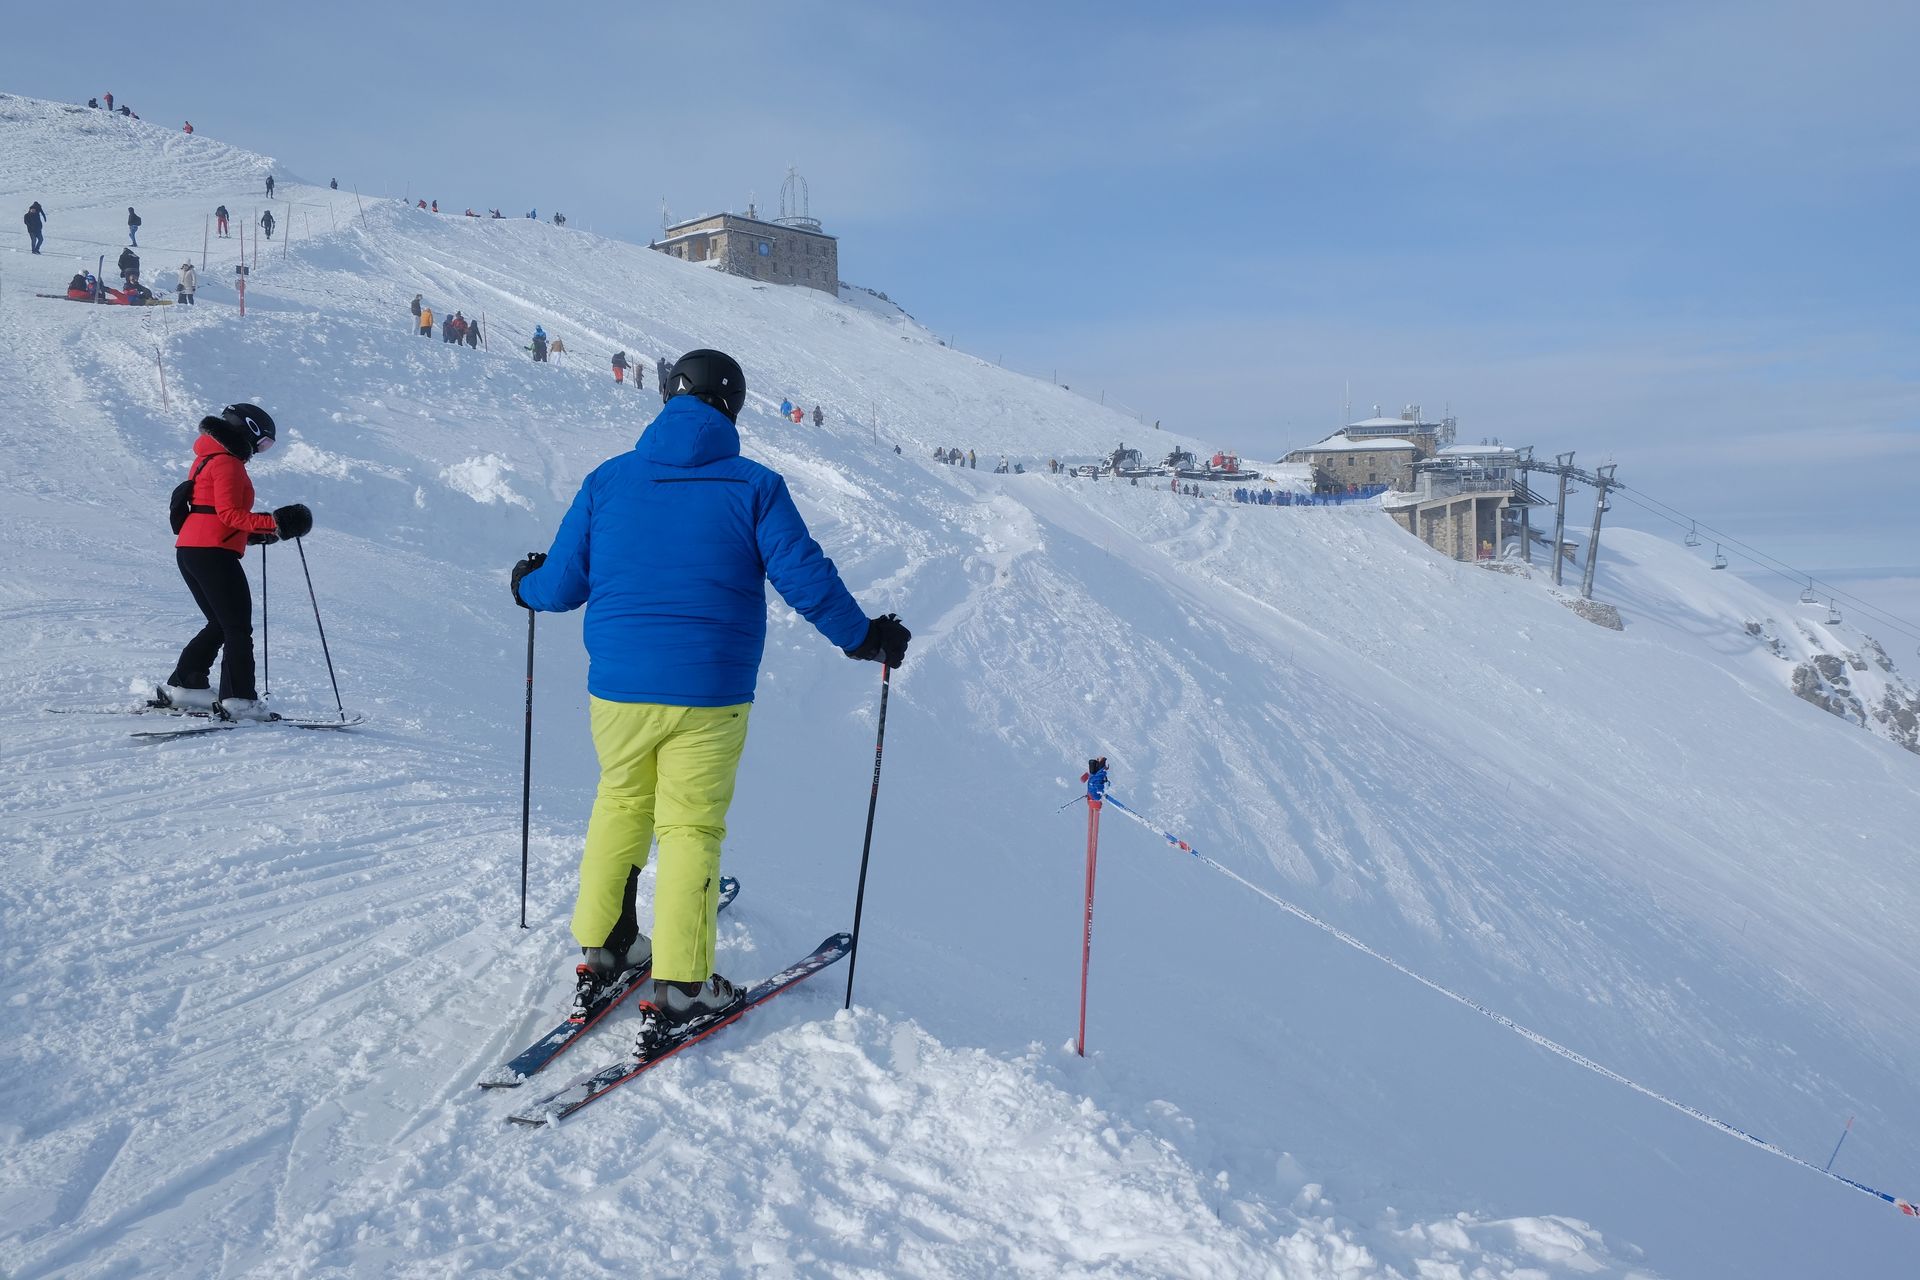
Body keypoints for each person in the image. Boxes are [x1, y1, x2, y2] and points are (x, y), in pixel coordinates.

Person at [510, 348, 910, 1039]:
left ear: (669, 395)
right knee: (689, 826)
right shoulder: (754, 486)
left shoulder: (609, 480)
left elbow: (563, 586)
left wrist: (525, 582)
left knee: (620, 803)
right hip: (709, 691)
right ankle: (683, 987)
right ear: (732, 407)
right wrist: (863, 638)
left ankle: (605, 951)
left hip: (618, 688)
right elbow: (804, 577)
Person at [161, 404, 311, 722]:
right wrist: (277, 523)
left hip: (193, 549)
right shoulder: (228, 463)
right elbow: (228, 515)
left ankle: (188, 684)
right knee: (237, 628)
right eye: (264, 443)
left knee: (220, 624)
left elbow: (213, 515)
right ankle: (239, 700)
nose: (261, 450)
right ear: (247, 430)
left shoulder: (207, 459)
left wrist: (258, 534)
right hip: (211, 553)